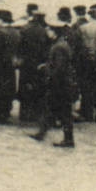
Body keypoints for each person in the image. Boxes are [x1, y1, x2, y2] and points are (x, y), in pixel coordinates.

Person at [31, 9, 76, 147]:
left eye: (49, 30)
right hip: (63, 83)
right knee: (52, 109)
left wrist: (48, 73)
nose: (47, 32)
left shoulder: (59, 47)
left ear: (54, 31)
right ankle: (42, 133)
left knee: (62, 112)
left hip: (59, 84)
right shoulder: (61, 44)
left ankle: (67, 139)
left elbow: (59, 68)